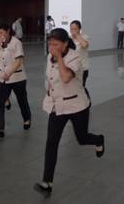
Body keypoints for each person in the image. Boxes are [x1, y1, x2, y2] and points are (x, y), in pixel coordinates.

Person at [34, 28, 105, 196]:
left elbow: (66, 77)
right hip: (57, 106)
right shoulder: (49, 57)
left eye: (56, 44)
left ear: (65, 44)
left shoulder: (74, 57)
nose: (52, 47)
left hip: (76, 105)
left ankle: (98, 139)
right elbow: (51, 77)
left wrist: (59, 57)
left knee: (82, 138)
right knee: (51, 143)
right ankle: (47, 182)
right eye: (50, 43)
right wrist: (49, 89)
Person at [0, 21, 32, 138]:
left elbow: (18, 61)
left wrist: (9, 72)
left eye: (1, 32)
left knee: (21, 100)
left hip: (17, 77)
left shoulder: (16, 43)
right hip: (2, 78)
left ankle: (27, 118)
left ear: (8, 31)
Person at [69, 20, 90, 86]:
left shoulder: (84, 37)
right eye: (71, 29)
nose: (73, 31)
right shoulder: (69, 38)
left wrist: (77, 36)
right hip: (72, 68)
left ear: (79, 29)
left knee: (81, 87)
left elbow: (84, 45)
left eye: (75, 29)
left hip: (82, 68)